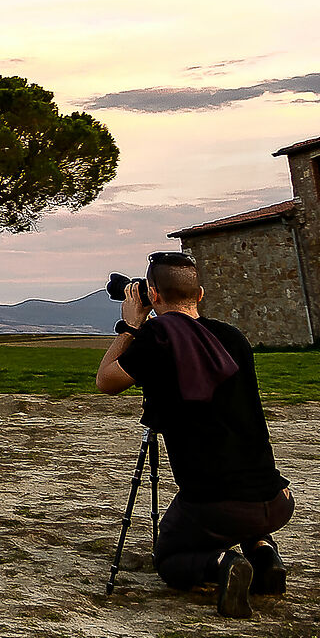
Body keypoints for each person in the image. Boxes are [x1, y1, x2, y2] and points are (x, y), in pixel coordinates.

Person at [95, 250, 293, 618]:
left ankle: (224, 566)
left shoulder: (158, 339)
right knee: (244, 513)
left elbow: (105, 380)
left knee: (168, 557)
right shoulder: (232, 338)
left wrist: (130, 327)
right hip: (277, 498)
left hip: (218, 506)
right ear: (199, 294)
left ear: (153, 296)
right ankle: (265, 555)